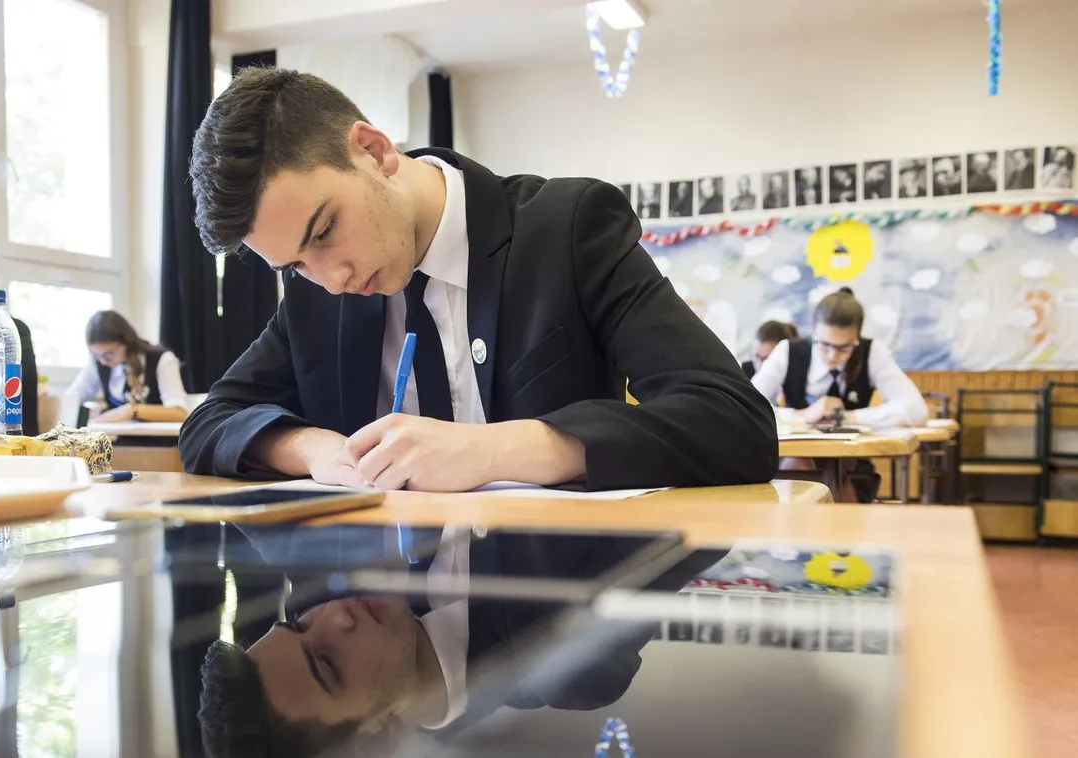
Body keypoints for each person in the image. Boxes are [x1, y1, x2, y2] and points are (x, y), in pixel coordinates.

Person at [180, 67, 778, 493]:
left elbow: (734, 422)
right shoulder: (315, 292)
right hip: (373, 626)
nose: (330, 280)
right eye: (294, 265)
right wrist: (309, 449)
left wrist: (494, 451)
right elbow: (209, 421)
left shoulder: (568, 231)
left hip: (552, 633)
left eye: (326, 229)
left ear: (373, 149)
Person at [194, 524, 724, 756]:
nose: (337, 617)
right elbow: (709, 504)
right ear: (374, 741)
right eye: (329, 664)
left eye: (300, 623)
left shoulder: (343, 564)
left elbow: (215, 428)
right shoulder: (563, 664)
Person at [750, 288, 928, 501]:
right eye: (824, 345)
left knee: (845, 490)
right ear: (814, 333)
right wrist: (803, 415)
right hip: (794, 463)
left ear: (857, 339)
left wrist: (849, 417)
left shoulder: (872, 353)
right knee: (798, 473)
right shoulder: (788, 351)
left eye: (844, 348)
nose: (833, 355)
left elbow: (915, 408)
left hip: (852, 464)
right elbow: (748, 405)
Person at [58, 310, 196, 426]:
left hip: (158, 444)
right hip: (119, 442)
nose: (103, 362)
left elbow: (178, 413)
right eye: (97, 355)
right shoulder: (99, 363)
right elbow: (73, 397)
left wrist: (132, 411)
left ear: (126, 341)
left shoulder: (161, 360)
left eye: (109, 354)